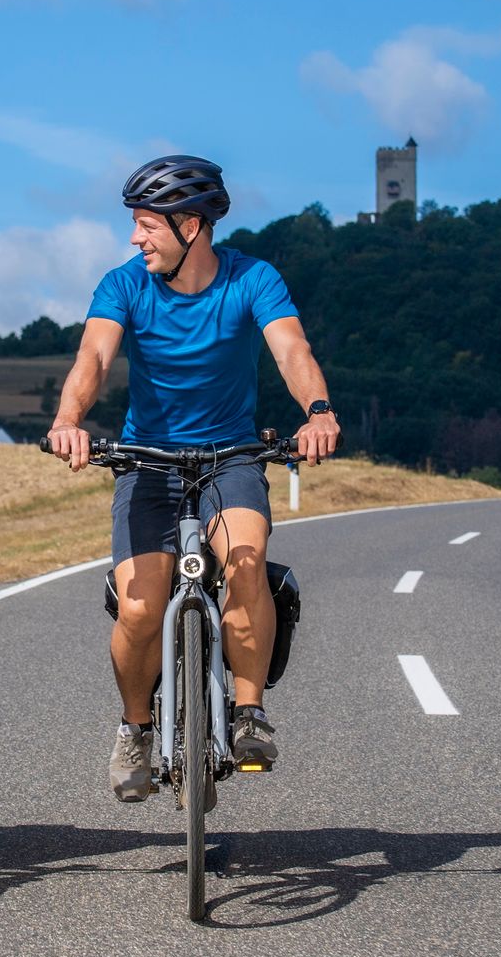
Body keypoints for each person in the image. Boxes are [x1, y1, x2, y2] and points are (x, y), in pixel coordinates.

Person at [45, 154, 340, 802]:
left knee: (245, 561)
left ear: (191, 226)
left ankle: (249, 712)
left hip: (229, 456)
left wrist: (318, 411)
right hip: (147, 460)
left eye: (147, 224)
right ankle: (135, 728)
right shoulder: (124, 285)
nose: (135, 238)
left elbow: (292, 349)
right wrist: (69, 420)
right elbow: (94, 355)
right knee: (140, 607)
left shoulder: (252, 279)